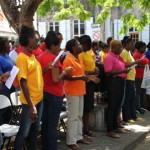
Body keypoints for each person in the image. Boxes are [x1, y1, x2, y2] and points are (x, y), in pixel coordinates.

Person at [38, 31, 72, 150]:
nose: (59, 48)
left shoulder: (40, 56)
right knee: (52, 125)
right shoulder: (53, 59)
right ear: (53, 46)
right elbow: (56, 79)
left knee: (46, 124)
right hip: (54, 94)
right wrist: (65, 72)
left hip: (44, 92)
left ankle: (45, 146)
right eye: (58, 46)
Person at [14, 26, 43, 150]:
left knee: (35, 130)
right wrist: (31, 106)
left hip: (39, 98)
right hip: (30, 102)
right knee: (23, 132)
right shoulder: (22, 57)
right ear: (29, 39)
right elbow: (23, 83)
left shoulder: (31, 55)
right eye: (36, 39)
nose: (38, 42)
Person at [63, 39, 90, 150]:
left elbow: (81, 73)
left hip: (80, 90)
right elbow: (65, 76)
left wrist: (89, 76)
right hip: (72, 91)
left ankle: (78, 137)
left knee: (79, 115)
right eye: (78, 44)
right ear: (73, 48)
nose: (81, 46)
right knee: (73, 116)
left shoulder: (77, 58)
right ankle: (71, 141)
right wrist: (80, 77)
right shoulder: (68, 59)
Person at [104, 40, 130, 139]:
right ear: (114, 48)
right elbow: (108, 71)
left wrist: (126, 70)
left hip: (120, 81)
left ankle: (115, 126)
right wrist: (123, 71)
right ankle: (109, 130)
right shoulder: (109, 57)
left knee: (118, 104)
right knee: (112, 106)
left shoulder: (117, 57)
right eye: (119, 48)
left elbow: (124, 65)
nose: (120, 50)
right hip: (113, 82)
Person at [78, 35, 99, 137]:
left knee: (88, 107)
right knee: (84, 108)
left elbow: (91, 65)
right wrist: (92, 72)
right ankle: (82, 129)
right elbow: (82, 71)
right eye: (88, 43)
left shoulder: (87, 53)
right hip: (84, 82)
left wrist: (96, 70)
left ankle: (86, 128)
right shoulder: (80, 55)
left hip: (90, 82)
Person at [120, 36, 142, 124]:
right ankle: (127, 117)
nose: (133, 46)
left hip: (132, 78)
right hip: (128, 78)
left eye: (133, 44)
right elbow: (125, 65)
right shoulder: (124, 52)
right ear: (126, 44)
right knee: (128, 98)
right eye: (131, 44)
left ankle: (133, 115)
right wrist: (136, 62)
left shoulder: (129, 52)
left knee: (133, 98)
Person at [0, 37, 15, 125]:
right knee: (3, 110)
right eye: (7, 44)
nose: (9, 45)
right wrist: (6, 74)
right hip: (4, 89)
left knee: (9, 110)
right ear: (2, 46)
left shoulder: (7, 55)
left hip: (11, 86)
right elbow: (1, 75)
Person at [133, 41, 149, 114]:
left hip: (144, 76)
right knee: (138, 92)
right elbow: (136, 65)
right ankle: (138, 107)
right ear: (139, 47)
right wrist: (146, 66)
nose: (145, 48)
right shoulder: (136, 55)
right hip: (138, 76)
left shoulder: (142, 54)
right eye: (144, 47)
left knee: (143, 91)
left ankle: (142, 106)